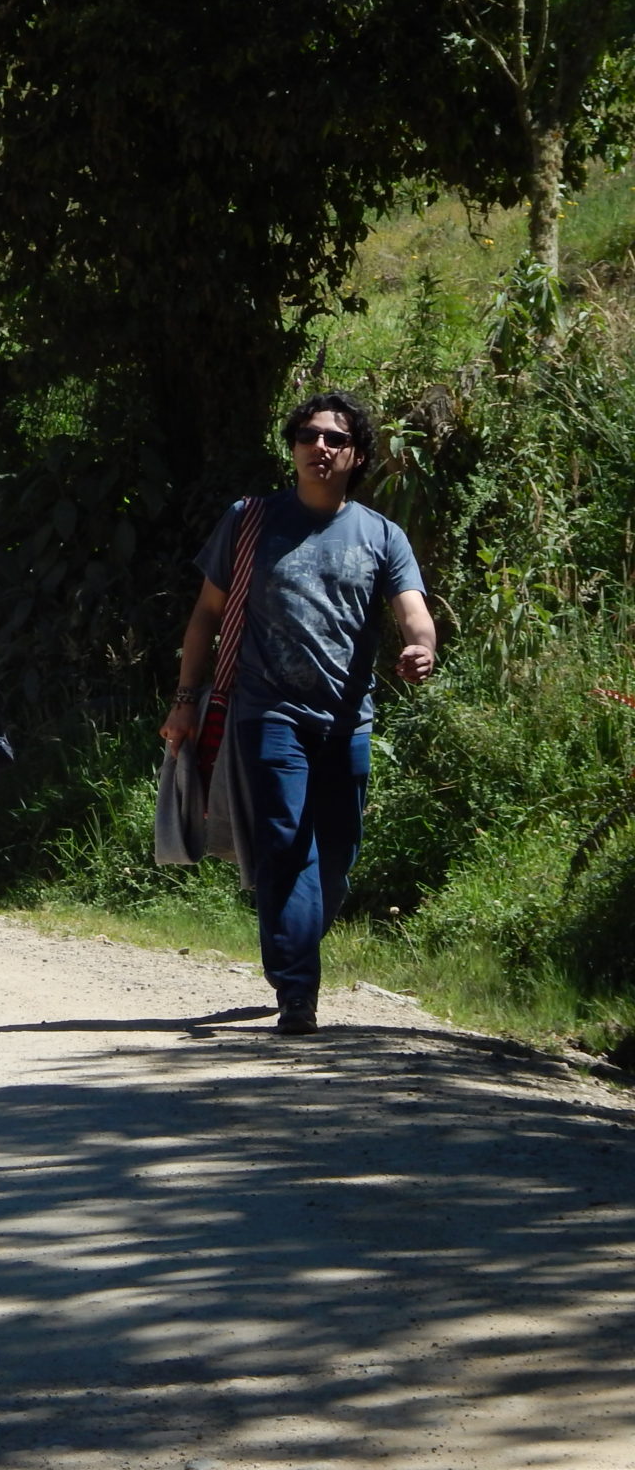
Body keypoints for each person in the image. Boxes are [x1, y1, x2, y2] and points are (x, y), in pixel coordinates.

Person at [161, 392, 437, 1036]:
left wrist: (420, 646)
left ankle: (294, 946)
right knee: (286, 841)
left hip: (347, 719)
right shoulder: (250, 521)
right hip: (267, 711)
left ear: (357, 456)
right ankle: (297, 990)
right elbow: (206, 614)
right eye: (308, 436)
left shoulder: (381, 535)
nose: (320, 447)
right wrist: (184, 700)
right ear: (292, 447)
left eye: (335, 439)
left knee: (337, 853)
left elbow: (413, 609)